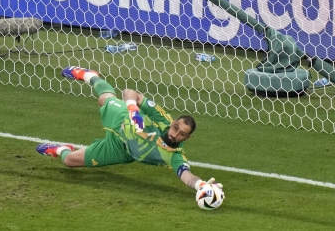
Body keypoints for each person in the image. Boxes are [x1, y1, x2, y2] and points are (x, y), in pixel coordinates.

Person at [36, 66, 223, 191]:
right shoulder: (162, 119)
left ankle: (62, 149)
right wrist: (133, 109)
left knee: (69, 161)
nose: (174, 134)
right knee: (104, 98)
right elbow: (129, 92)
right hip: (122, 120)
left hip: (120, 151)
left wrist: (201, 186)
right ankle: (90, 75)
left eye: (181, 134)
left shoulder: (175, 156)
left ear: (186, 139)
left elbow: (186, 175)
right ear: (173, 122)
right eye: (175, 128)